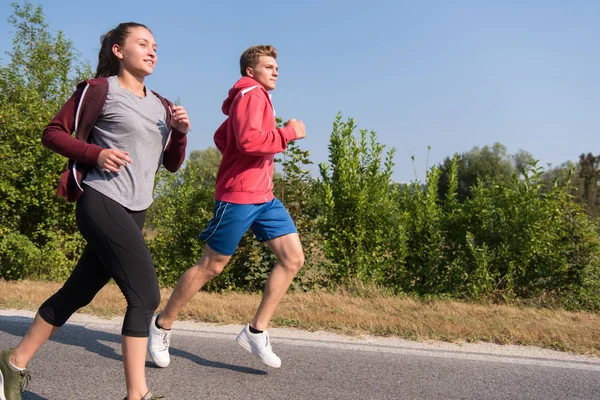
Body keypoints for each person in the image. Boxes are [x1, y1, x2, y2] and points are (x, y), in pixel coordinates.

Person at [0, 22, 190, 400]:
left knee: (77, 293)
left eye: (155, 46)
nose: (152, 51)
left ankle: (13, 363)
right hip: (102, 200)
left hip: (137, 210)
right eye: (142, 44)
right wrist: (96, 153)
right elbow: (52, 132)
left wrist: (180, 133)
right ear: (119, 51)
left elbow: (170, 164)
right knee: (145, 296)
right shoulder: (99, 90)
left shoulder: (163, 106)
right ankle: (137, 395)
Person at [148, 44, 306, 370]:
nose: (276, 71)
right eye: (268, 66)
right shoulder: (250, 94)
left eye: (277, 67)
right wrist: (288, 133)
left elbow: (225, 137)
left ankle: (255, 331)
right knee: (211, 266)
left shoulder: (253, 96)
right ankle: (162, 324)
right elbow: (248, 142)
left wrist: (242, 160)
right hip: (238, 196)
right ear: (251, 71)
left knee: (293, 258)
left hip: (263, 195)